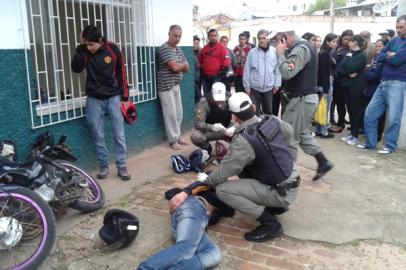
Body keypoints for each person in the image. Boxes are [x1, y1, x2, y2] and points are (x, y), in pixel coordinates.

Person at [170, 92, 301, 243]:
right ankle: (276, 207)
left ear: (234, 117)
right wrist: (289, 159)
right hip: (292, 178)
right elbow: (290, 133)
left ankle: (271, 224)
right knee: (245, 171)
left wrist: (205, 180)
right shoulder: (270, 119)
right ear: (253, 107)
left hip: (280, 191)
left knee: (223, 190)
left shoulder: (243, 141)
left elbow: (221, 175)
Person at [71, 25, 131, 181]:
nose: (89, 48)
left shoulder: (112, 49)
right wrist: (81, 49)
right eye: (86, 44)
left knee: (119, 133)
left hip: (113, 98)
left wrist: (125, 97)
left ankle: (121, 165)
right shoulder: (84, 51)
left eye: (91, 44)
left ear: (99, 40)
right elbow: (76, 69)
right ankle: (103, 165)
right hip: (93, 99)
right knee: (98, 134)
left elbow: (121, 73)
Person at [275, 29, 333, 181]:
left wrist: (280, 54)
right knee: (300, 133)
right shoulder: (303, 47)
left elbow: (287, 73)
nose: (276, 45)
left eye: (278, 41)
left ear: (285, 38)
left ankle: (288, 176)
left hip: (302, 99)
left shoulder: (301, 48)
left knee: (289, 135)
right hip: (303, 99)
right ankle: (323, 162)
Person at [137, 182, 234, 270]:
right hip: (193, 208)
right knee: (187, 247)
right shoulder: (207, 187)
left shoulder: (224, 198)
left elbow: (230, 210)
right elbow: (201, 181)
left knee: (213, 254)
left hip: (198, 222)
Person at [359, 15, 406, 154]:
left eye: (401, 27)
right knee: (370, 113)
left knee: (393, 117)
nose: (398, 30)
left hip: (397, 83)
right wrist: (388, 55)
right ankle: (371, 143)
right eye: (397, 27)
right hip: (383, 82)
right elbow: (379, 56)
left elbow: (397, 60)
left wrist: (389, 56)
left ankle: (390, 146)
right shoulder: (394, 40)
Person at [157, 25, 189, 150]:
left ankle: (177, 137)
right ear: (169, 34)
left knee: (178, 112)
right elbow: (175, 68)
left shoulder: (179, 49)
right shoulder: (164, 49)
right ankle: (173, 140)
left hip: (176, 84)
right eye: (175, 36)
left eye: (179, 36)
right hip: (165, 86)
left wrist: (179, 66)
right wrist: (181, 65)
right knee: (170, 114)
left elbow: (187, 68)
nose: (177, 38)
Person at [335, 35, 367, 146]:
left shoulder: (362, 55)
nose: (348, 43)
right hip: (346, 84)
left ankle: (355, 135)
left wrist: (347, 64)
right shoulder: (349, 54)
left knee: (355, 110)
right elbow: (339, 69)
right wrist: (348, 69)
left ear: (355, 43)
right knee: (350, 110)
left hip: (356, 86)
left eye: (350, 41)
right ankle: (352, 133)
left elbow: (350, 68)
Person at [243, 29, 281, 116]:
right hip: (254, 88)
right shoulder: (252, 52)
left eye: (264, 38)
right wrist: (247, 87)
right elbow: (247, 70)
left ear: (268, 39)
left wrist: (277, 84)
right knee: (254, 112)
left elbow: (277, 69)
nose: (262, 40)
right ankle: (254, 129)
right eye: (260, 38)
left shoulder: (274, 51)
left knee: (268, 112)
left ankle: (267, 129)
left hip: (269, 88)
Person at [191, 82, 233, 155]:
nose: (219, 101)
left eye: (221, 99)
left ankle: (233, 151)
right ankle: (208, 150)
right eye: (217, 99)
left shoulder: (231, 99)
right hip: (211, 130)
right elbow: (198, 123)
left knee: (244, 131)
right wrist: (211, 127)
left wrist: (232, 128)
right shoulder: (203, 103)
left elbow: (239, 118)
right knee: (196, 136)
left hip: (228, 130)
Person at [360, 39, 386, 142]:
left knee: (379, 115)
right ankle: (370, 134)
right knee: (368, 112)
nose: (377, 48)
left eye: (380, 46)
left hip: (377, 89)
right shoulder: (375, 58)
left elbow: (375, 75)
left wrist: (365, 74)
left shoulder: (383, 59)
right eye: (376, 46)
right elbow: (371, 71)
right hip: (369, 89)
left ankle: (378, 135)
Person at [329, 29, 354, 133]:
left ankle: (340, 124)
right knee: (337, 102)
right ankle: (339, 123)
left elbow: (347, 66)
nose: (346, 41)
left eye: (349, 40)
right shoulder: (337, 47)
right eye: (345, 39)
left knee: (342, 103)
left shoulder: (350, 51)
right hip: (334, 78)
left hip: (342, 80)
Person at [315, 33, 338, 139]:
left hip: (324, 83)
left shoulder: (325, 52)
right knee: (325, 108)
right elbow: (323, 72)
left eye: (335, 41)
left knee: (321, 107)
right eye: (333, 41)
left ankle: (319, 130)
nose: (335, 43)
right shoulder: (324, 53)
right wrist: (325, 89)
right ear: (327, 41)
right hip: (325, 83)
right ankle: (323, 131)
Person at [199, 29, 231, 95]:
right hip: (206, 76)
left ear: (217, 36)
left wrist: (221, 73)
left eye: (215, 35)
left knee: (216, 95)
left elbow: (227, 62)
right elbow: (200, 61)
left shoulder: (222, 48)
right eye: (211, 35)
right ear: (208, 37)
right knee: (207, 95)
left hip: (216, 76)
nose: (213, 37)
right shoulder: (204, 49)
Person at [194, 35, 202, 103]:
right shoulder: (190, 53)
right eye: (194, 43)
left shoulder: (200, 52)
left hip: (199, 78)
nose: (196, 45)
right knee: (199, 96)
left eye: (197, 43)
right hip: (193, 79)